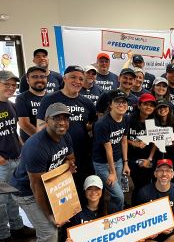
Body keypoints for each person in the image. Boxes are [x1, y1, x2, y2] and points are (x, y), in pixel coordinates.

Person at [10, 103, 76, 242]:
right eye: (57, 118)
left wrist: (70, 165)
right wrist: (49, 215)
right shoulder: (35, 146)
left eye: (65, 118)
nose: (62, 122)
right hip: (26, 192)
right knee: (48, 230)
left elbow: (70, 158)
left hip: (50, 186)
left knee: (64, 218)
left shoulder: (65, 136)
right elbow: (35, 186)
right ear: (46, 121)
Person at [36, 66, 97, 194]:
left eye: (81, 78)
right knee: (62, 192)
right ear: (64, 78)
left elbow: (92, 124)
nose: (77, 81)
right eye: (73, 77)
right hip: (59, 156)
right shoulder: (49, 99)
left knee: (82, 189)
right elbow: (40, 126)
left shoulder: (87, 102)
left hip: (82, 155)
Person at [0, 70, 34, 242]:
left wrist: (22, 149)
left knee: (13, 198)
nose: (11, 88)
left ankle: (17, 228)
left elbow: (13, 132)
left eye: (13, 85)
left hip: (15, 158)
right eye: (6, 84)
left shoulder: (11, 105)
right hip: (2, 163)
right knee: (0, 202)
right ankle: (3, 236)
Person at [92, 90, 130, 213]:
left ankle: (113, 215)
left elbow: (124, 141)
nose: (121, 105)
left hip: (118, 160)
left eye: (124, 102)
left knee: (115, 194)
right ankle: (118, 217)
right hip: (102, 164)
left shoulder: (126, 119)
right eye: (117, 102)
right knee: (119, 195)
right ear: (110, 105)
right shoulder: (102, 124)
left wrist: (125, 163)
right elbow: (108, 149)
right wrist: (112, 173)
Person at [127, 93, 156, 203]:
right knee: (133, 186)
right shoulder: (129, 119)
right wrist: (133, 143)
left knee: (145, 185)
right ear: (139, 105)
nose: (148, 107)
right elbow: (121, 138)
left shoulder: (154, 121)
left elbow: (155, 143)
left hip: (146, 158)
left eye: (151, 105)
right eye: (145, 104)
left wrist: (149, 159)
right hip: (131, 158)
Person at [15, 66, 47, 143]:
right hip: (32, 143)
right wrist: (44, 140)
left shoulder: (51, 97)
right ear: (27, 80)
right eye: (34, 77)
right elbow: (24, 124)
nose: (39, 79)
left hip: (52, 142)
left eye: (42, 76)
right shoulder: (21, 98)